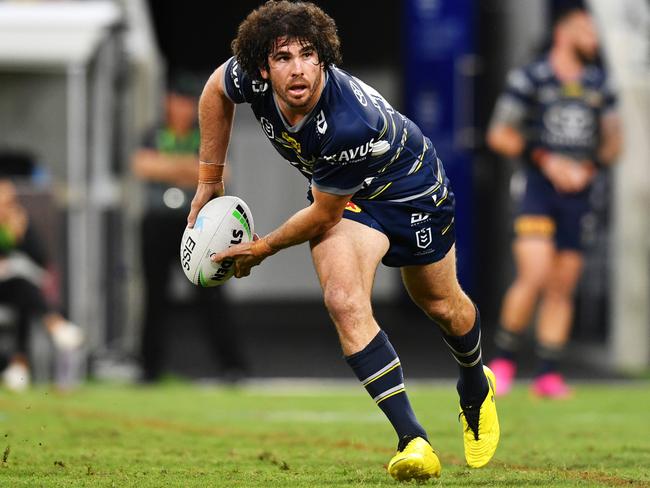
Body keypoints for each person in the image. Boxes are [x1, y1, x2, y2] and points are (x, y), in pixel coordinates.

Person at [187, 1, 499, 480]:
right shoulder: (249, 79)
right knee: (343, 300)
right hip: (349, 201)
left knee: (441, 305)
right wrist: (209, 179)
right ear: (263, 69)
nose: (298, 69)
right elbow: (214, 91)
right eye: (283, 57)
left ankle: (475, 384)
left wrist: (263, 247)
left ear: (323, 58)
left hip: (412, 188)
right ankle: (414, 440)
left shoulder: (347, 122)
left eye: (308, 54)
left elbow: (322, 213)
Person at [486, 6, 622, 398]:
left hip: (580, 197)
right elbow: (500, 135)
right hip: (538, 192)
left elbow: (613, 141)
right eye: (585, 30)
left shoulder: (600, 84)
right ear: (564, 32)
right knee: (534, 275)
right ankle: (504, 363)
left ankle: (548, 373)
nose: (594, 39)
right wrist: (548, 160)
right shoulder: (531, 78)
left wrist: (590, 166)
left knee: (563, 285)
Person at [132, 76, 248, 383]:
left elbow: (222, 172)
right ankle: (149, 369)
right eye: (177, 101)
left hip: (198, 226)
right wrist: (192, 169)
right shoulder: (153, 133)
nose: (181, 108)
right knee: (154, 296)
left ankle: (232, 366)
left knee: (211, 294)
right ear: (167, 103)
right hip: (156, 223)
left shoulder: (206, 134)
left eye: (187, 103)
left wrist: (168, 167)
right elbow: (142, 166)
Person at [0, 178, 84, 391]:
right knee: (24, 288)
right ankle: (54, 324)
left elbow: (41, 259)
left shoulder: (20, 222)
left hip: (15, 289)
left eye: (9, 202)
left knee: (23, 292)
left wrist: (19, 236)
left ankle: (18, 366)